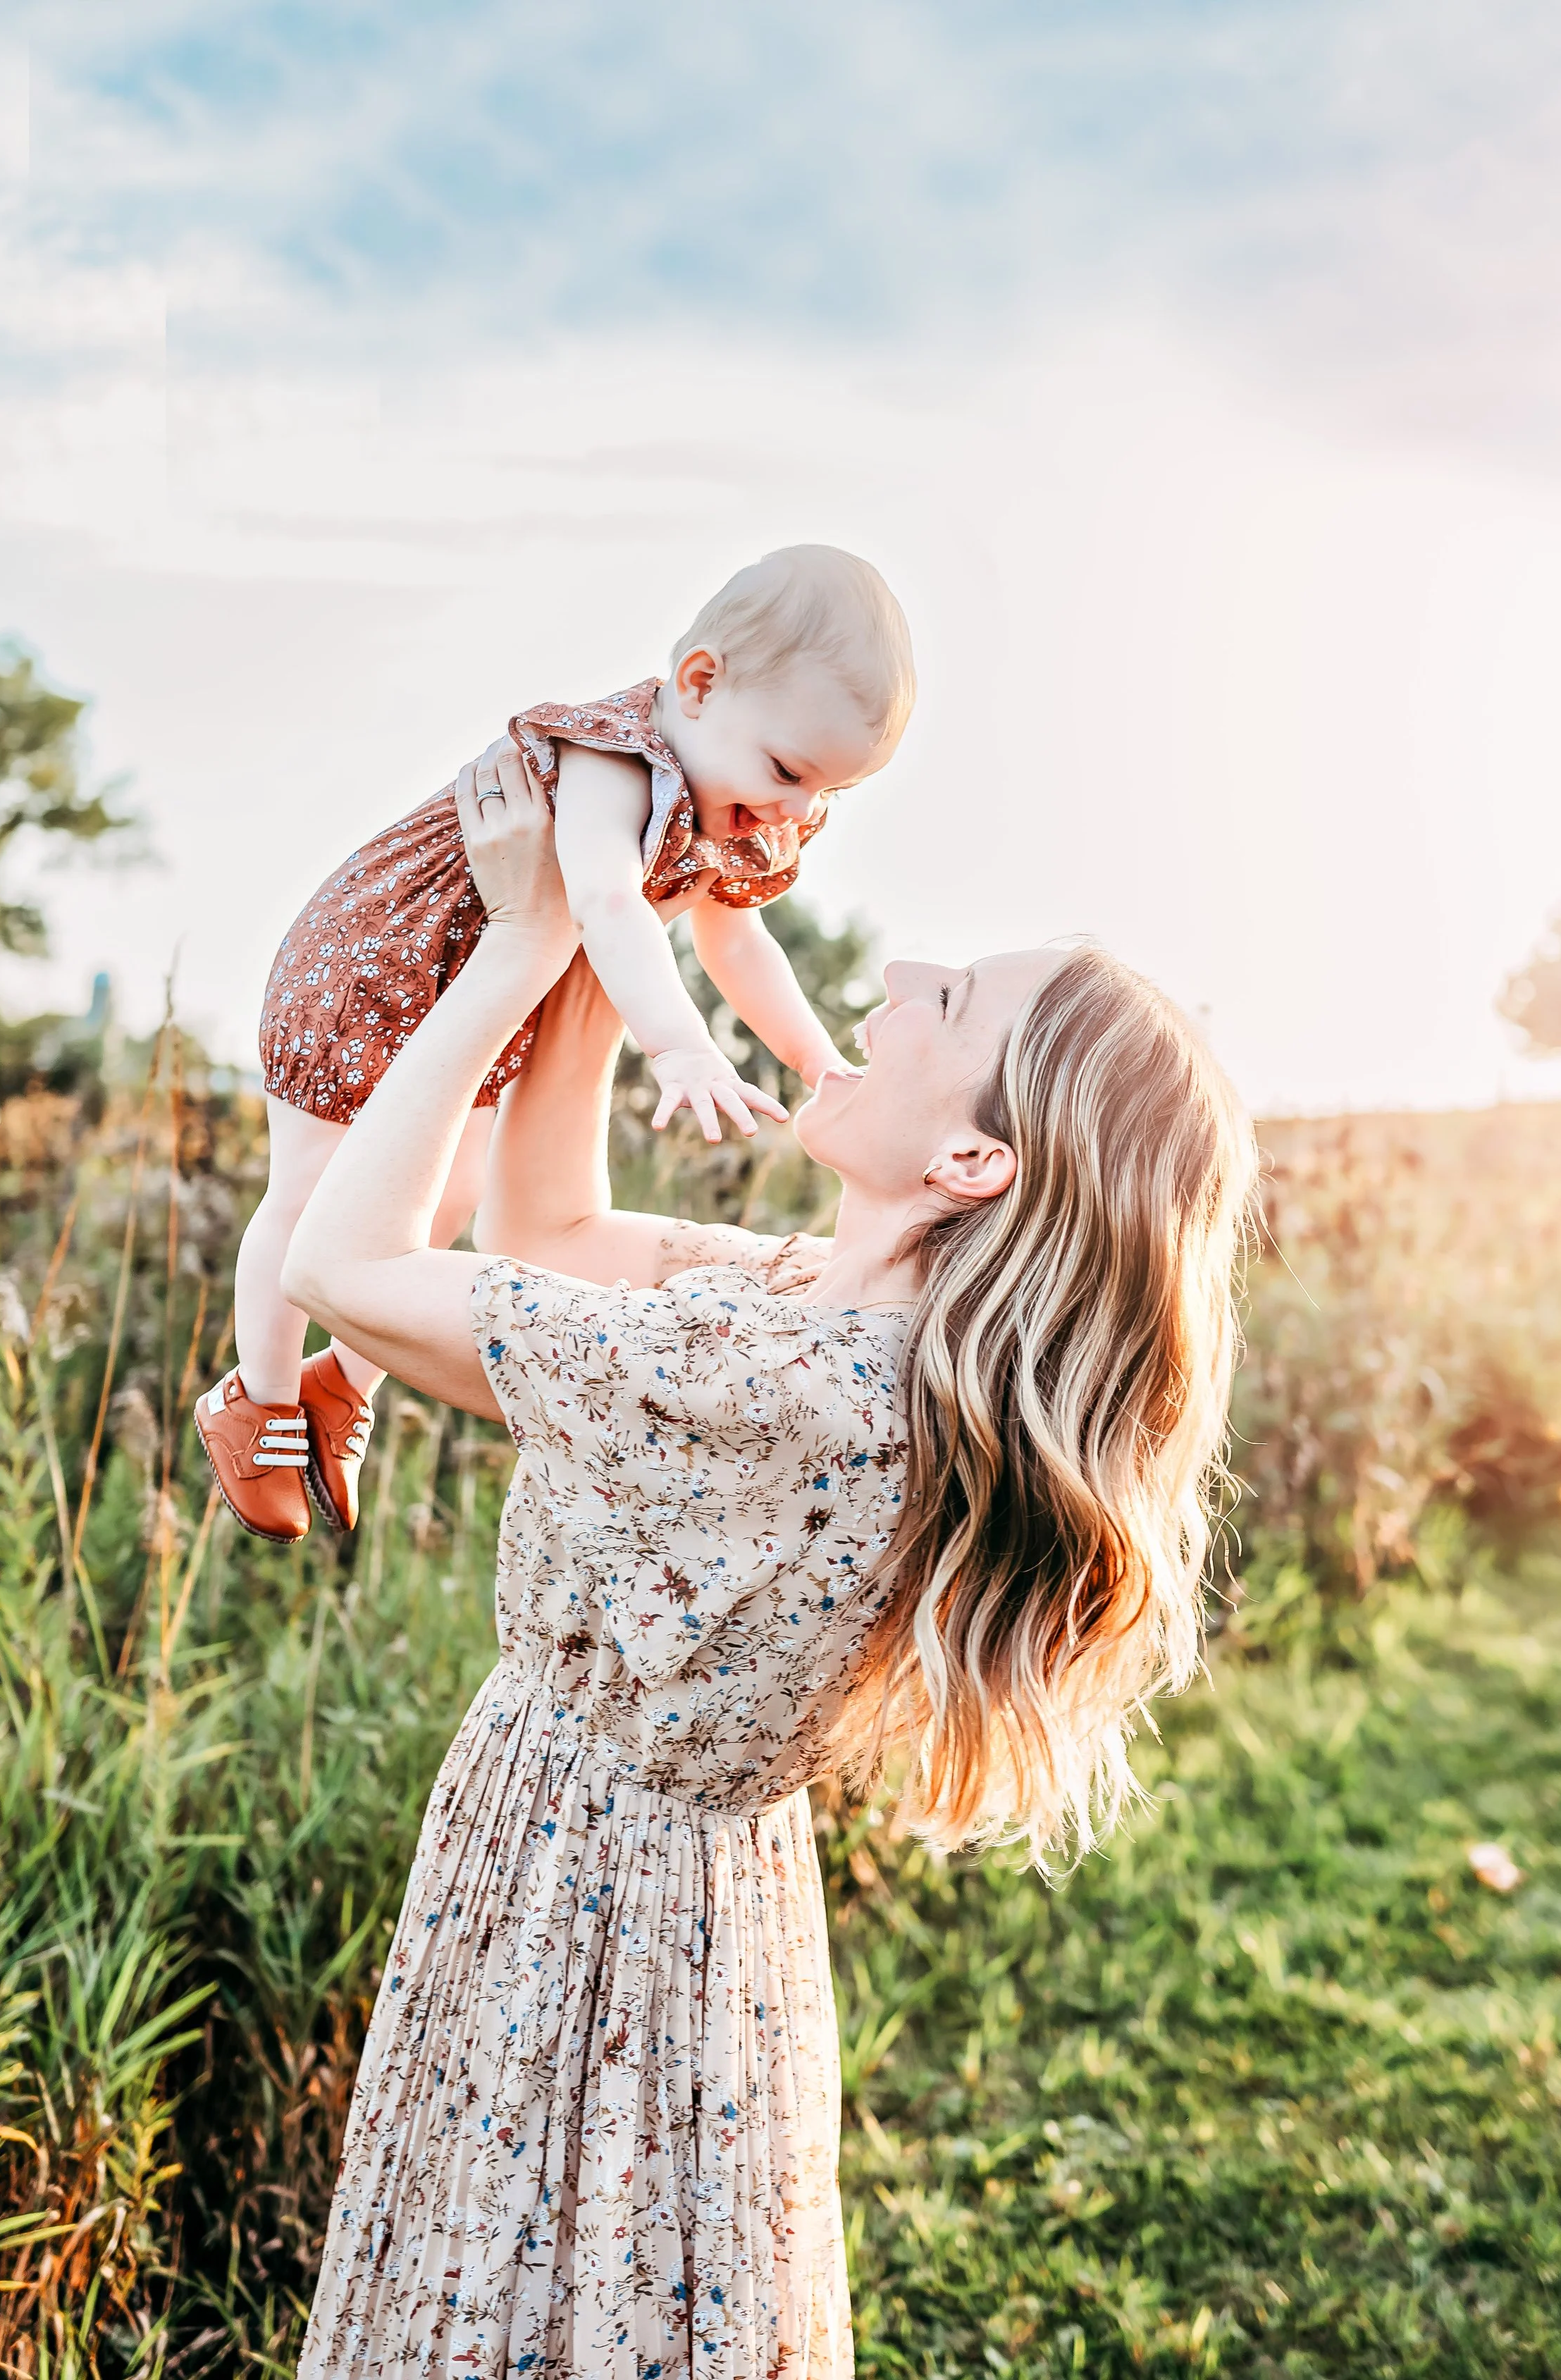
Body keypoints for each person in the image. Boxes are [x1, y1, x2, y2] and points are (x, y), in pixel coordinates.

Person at [284, 745, 1256, 2380]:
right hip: (653, 1895)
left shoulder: (790, 1386)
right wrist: (624, 905)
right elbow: (547, 1233)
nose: (884, 981)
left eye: (942, 1001)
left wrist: (524, 944)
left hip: (578, 1899)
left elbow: (341, 1262)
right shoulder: (821, 1310)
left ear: (969, 1164)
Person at [199, 545, 915, 1546]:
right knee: (319, 1191)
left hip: (489, 988)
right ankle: (259, 1401)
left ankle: (336, 1381)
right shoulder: (616, 759)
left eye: (825, 792)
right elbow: (607, 900)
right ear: (700, 684)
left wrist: (811, 1061)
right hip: (379, 963)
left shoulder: (740, 802)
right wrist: (679, 1047)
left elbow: (738, 941)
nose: (793, 813)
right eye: (789, 771)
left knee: (445, 1196)